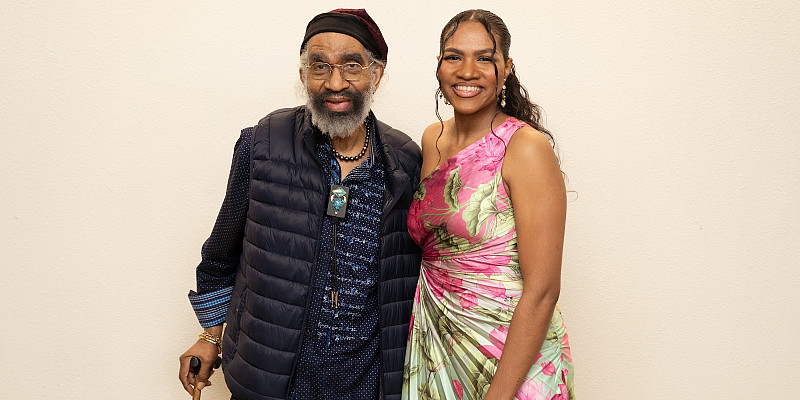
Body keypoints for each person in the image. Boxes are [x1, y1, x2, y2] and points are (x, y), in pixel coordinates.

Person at [177, 9, 422, 400]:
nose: (335, 83)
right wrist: (210, 335)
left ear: (376, 75)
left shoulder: (405, 161)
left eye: (352, 66)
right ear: (304, 75)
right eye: (320, 66)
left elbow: (410, 277)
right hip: (269, 377)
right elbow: (221, 255)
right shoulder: (263, 143)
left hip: (363, 382)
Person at [402, 9, 574, 400]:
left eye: (484, 58)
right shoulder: (432, 139)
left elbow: (543, 290)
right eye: (454, 57)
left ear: (506, 68)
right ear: (439, 65)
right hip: (438, 343)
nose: (467, 71)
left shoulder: (525, 147)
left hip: (510, 353)